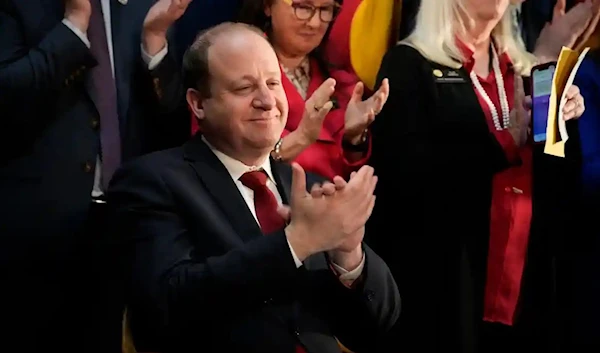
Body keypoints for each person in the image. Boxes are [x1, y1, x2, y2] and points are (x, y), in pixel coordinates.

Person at [107, 22, 401, 353]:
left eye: (273, 83)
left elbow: (375, 325)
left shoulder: (308, 188)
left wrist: (348, 254)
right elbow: (167, 305)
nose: (266, 100)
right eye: (244, 88)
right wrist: (296, 243)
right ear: (198, 103)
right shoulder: (152, 181)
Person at [367, 0, 586, 352]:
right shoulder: (408, 65)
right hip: (445, 289)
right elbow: (403, 180)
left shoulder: (529, 70)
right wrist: (502, 144)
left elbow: (561, 180)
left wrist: (559, 97)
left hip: (526, 289)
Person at [0, 0, 190, 352]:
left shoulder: (142, 7)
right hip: (32, 231)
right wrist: (74, 24)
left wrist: (155, 43)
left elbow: (172, 127)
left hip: (118, 223)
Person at [211, 0, 389, 181]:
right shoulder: (232, 70)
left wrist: (354, 138)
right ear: (267, 6)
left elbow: (357, 177)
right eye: (302, 7)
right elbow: (219, 161)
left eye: (325, 10)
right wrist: (299, 139)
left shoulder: (344, 85)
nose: (315, 23)